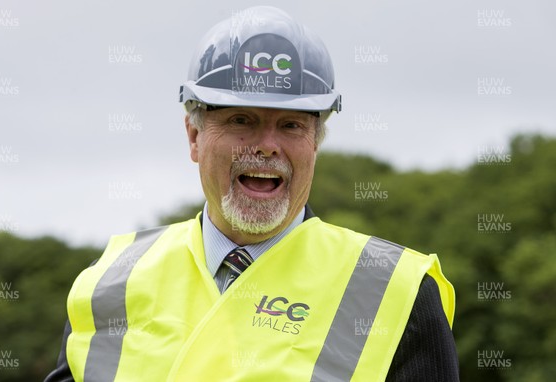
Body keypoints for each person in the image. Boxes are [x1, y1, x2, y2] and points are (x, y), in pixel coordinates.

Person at [45, 6, 459, 381]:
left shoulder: (396, 292)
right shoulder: (111, 282)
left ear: (315, 141)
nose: (266, 145)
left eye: (291, 126)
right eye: (242, 120)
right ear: (194, 136)